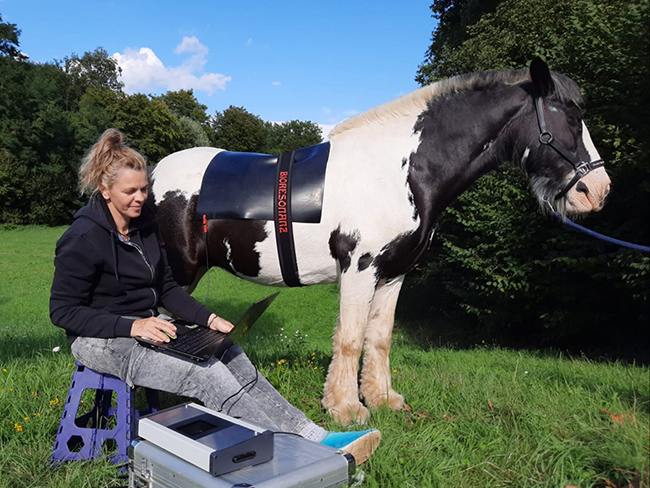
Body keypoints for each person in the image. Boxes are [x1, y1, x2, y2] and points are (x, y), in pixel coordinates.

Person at [50, 129, 380, 465]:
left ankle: (313, 435)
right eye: (130, 191)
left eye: (145, 189)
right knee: (206, 374)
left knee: (229, 352)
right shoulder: (82, 238)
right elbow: (62, 312)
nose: (140, 198)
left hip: (147, 327)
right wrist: (131, 326)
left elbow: (166, 289)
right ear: (105, 190)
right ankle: (298, 452)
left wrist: (209, 319)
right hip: (101, 339)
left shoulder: (144, 225)